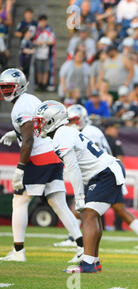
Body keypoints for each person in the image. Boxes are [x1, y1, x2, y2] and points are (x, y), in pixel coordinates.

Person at [0, 69, 84, 263]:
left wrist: (20, 168)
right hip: (53, 153)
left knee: (19, 201)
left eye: (8, 87)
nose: (5, 91)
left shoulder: (19, 107)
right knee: (58, 203)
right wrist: (17, 133)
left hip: (39, 156)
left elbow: (29, 139)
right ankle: (81, 247)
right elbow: (37, 128)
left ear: (18, 86)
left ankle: (18, 251)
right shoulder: (31, 99)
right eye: (3, 87)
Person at [32, 100, 125, 273]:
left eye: (41, 120)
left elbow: (73, 169)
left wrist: (79, 197)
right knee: (91, 215)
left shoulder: (61, 135)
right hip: (105, 171)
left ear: (53, 120)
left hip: (105, 172)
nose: (38, 124)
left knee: (88, 214)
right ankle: (93, 262)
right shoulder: (63, 133)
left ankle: (89, 263)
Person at [54, 105, 138, 249]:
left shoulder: (91, 132)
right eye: (69, 120)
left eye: (75, 119)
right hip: (101, 173)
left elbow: (92, 157)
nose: (72, 123)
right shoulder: (82, 131)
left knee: (85, 210)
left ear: (82, 118)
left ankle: (77, 241)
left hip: (102, 174)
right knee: (114, 209)